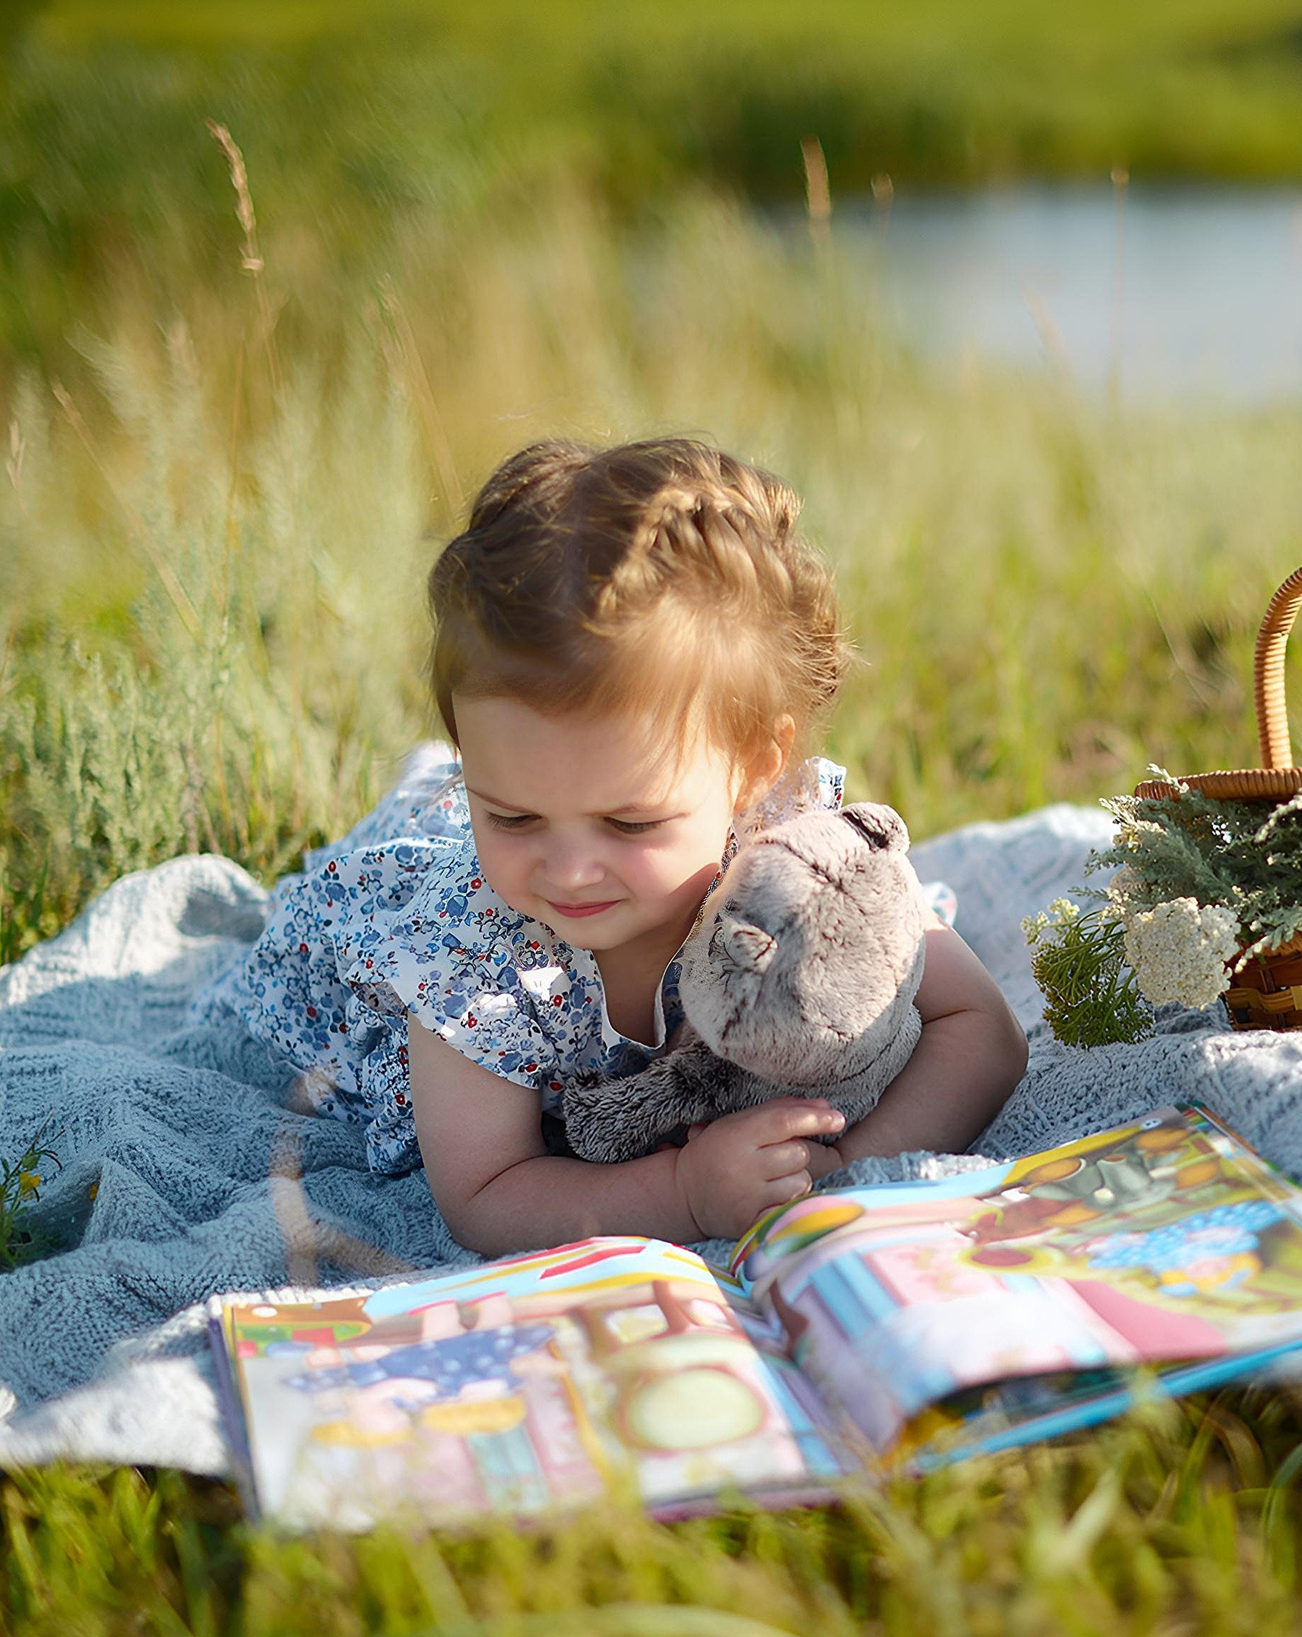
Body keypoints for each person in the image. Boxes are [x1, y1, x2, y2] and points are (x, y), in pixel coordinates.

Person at [201, 437, 1029, 1253]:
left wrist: (839, 1167)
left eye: (630, 824)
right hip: (394, 898)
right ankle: (445, 802)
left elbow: (979, 1028)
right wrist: (683, 1192)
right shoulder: (474, 952)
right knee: (429, 836)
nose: (566, 870)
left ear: (752, 771)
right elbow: (486, 1193)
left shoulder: (795, 861)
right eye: (512, 816)